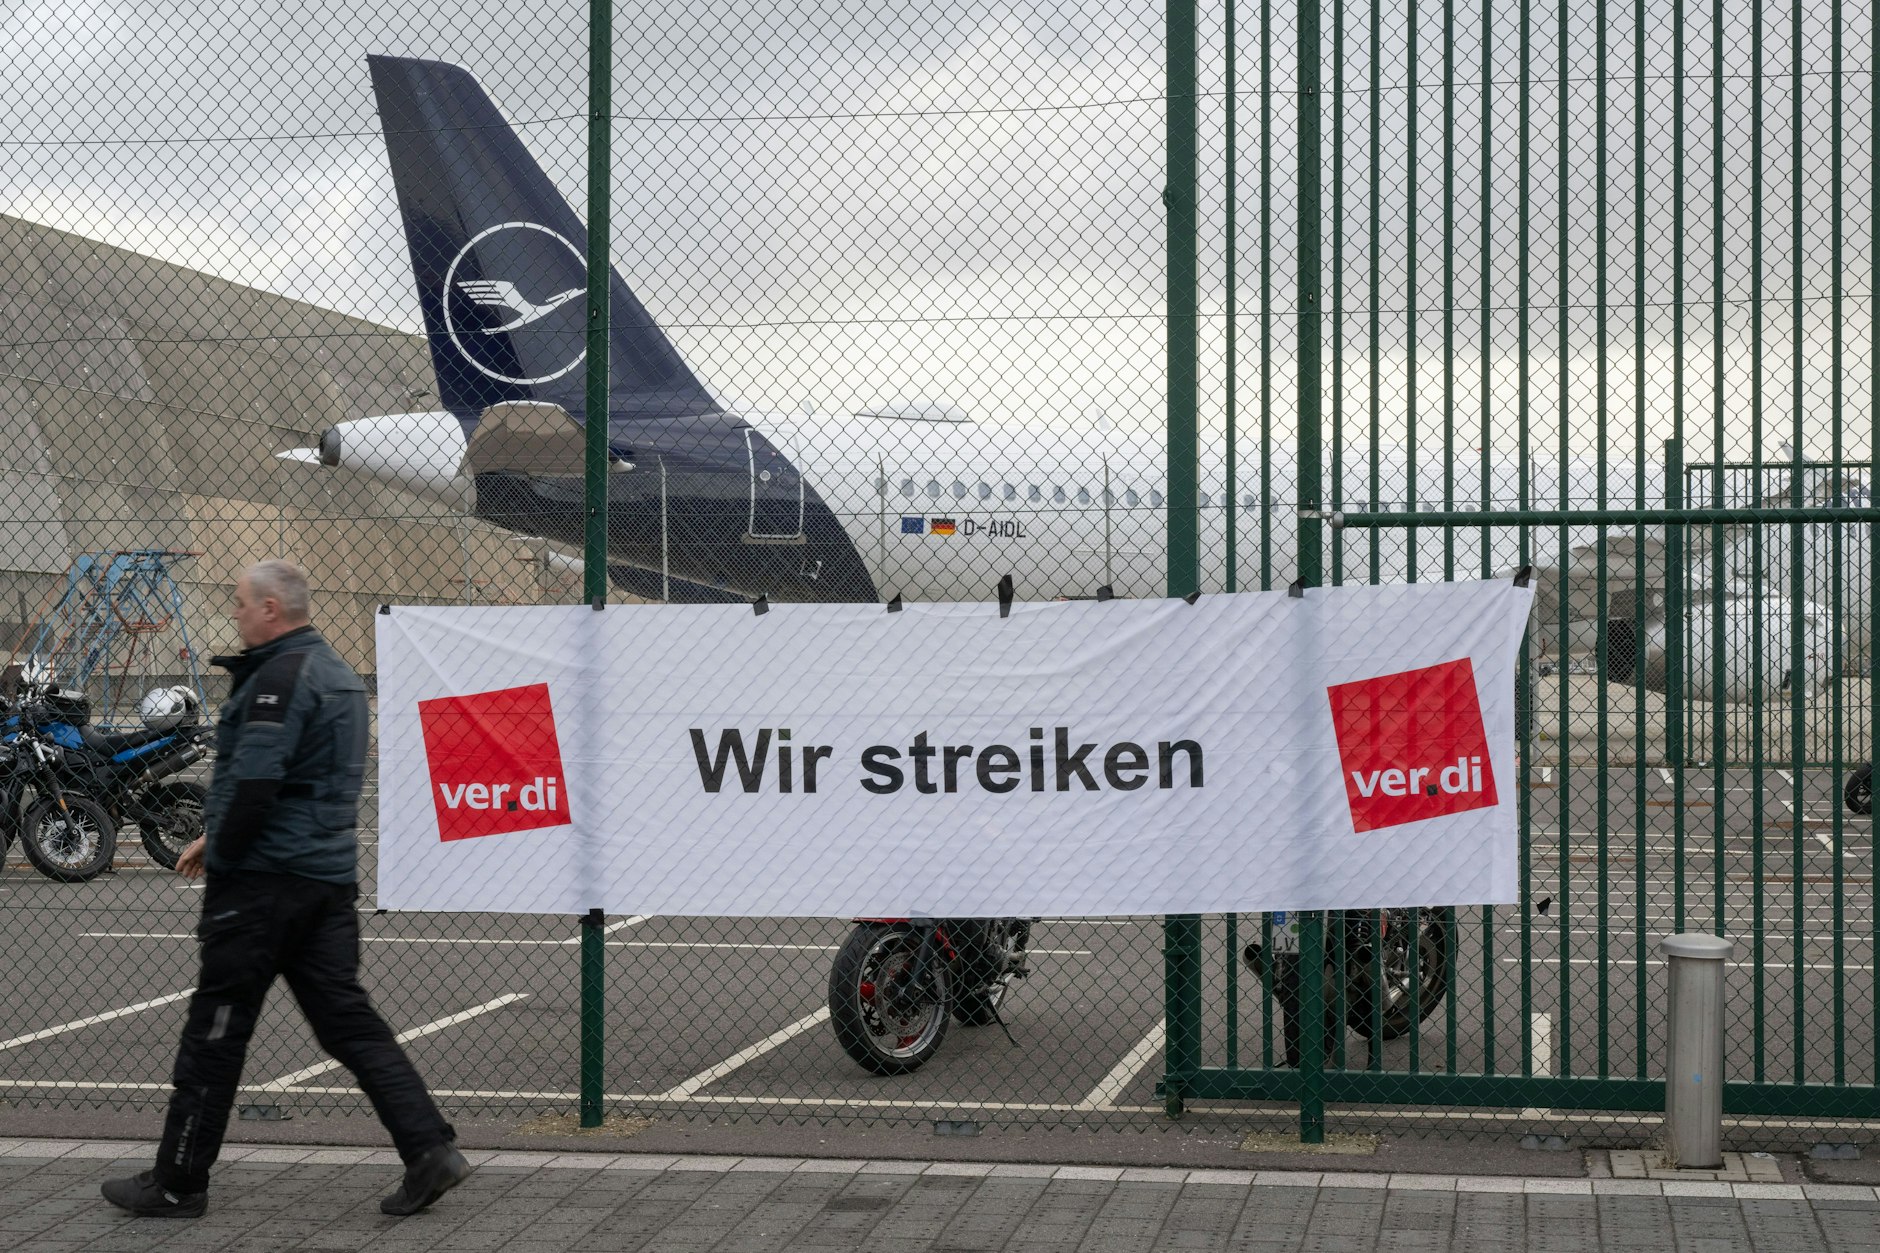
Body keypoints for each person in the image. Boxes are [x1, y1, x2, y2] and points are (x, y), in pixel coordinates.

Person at [103, 560, 471, 1219]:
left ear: (272, 608)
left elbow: (255, 783)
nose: (234, 611)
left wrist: (219, 849)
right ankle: (429, 1149)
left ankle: (178, 1180)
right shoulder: (334, 672)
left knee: (215, 1029)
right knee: (349, 1023)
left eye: (241, 602)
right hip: (326, 881)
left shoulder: (278, 677)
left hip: (264, 884)